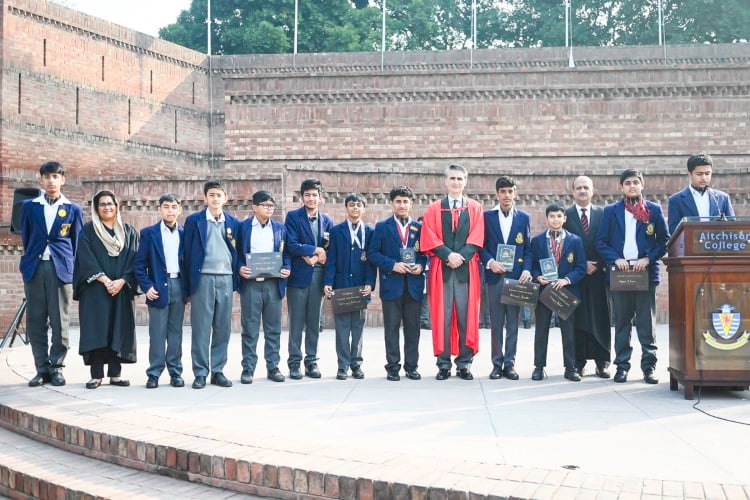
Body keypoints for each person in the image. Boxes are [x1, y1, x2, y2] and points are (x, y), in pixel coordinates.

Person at [596, 169, 669, 384]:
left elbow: (664, 240)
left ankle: (649, 367)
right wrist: (614, 259)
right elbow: (601, 241)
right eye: (627, 183)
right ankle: (622, 366)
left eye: (636, 182)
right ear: (621, 187)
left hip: (644, 273)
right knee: (622, 323)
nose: (632, 186)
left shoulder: (653, 210)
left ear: (642, 185)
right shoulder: (611, 211)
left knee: (646, 324)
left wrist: (648, 258)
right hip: (620, 274)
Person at [19, 161, 84, 387]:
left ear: (62, 180)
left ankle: (56, 367)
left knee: (60, 321)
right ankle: (41, 369)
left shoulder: (73, 209)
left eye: (55, 176)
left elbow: (76, 244)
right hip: (35, 268)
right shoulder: (29, 206)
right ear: (41, 180)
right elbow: (27, 238)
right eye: (47, 177)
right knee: (35, 321)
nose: (51, 181)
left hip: (60, 270)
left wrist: (71, 270)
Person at [420, 164, 484, 380]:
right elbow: (428, 236)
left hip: (467, 271)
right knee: (442, 317)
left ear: (465, 182)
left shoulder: (475, 208)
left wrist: (461, 256)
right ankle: (444, 364)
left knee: (467, 317)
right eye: (452, 178)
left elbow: (477, 237)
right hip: (442, 269)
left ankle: (464, 364)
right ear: (446, 181)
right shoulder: (434, 209)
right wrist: (448, 255)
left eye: (459, 179)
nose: (456, 182)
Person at [73, 190, 139, 389]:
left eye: (110, 203)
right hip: (96, 289)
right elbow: (85, 259)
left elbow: (135, 259)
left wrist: (122, 281)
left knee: (118, 328)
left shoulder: (128, 232)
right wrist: (105, 280)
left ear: (116, 206)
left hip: (121, 289)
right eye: (102, 204)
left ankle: (115, 375)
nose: (107, 207)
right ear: (96, 208)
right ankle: (96, 375)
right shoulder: (88, 231)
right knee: (97, 330)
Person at [182, 181, 239, 389]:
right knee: (201, 328)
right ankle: (200, 372)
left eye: (219, 195)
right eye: (211, 195)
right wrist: (189, 286)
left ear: (225, 198)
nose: (215, 199)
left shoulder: (233, 222)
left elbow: (238, 252)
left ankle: (218, 371)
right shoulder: (194, 221)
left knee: (223, 328)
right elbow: (186, 253)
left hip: (226, 278)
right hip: (203, 278)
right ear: (205, 198)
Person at [368, 186, 426, 381]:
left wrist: (421, 265)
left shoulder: (419, 228)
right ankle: (392, 367)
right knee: (391, 329)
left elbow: (425, 253)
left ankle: (412, 366)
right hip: (391, 285)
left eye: (405, 201)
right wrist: (392, 265)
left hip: (414, 285)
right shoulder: (382, 227)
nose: (402, 205)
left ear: (412, 204)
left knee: (413, 329)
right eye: (398, 201)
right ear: (391, 203)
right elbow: (373, 254)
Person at [481, 175, 532, 381]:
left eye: (510, 191)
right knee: (496, 324)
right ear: (497, 194)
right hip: (494, 276)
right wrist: (490, 262)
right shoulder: (487, 217)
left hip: (515, 278)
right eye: (503, 191)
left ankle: (509, 364)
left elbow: (527, 249)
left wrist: (526, 270)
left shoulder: (524, 218)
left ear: (515, 193)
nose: (507, 195)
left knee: (512, 324)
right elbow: (480, 246)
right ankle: (496, 364)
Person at [236, 191, 291, 384]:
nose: (269, 209)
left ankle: (273, 367)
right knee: (250, 328)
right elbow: (235, 253)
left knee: (273, 328)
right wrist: (239, 267)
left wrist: (287, 268)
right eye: (265, 205)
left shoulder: (280, 228)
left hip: (273, 284)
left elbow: (286, 254)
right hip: (251, 284)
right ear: (254, 207)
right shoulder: (243, 227)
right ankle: (248, 368)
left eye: (271, 205)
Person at [530, 203, 587, 381]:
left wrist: (566, 280)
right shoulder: (537, 241)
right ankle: (539, 367)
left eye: (559, 216)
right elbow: (532, 265)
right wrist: (537, 276)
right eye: (552, 216)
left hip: (566, 291)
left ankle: (570, 368)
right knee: (541, 330)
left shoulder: (575, 240)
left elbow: (581, 267)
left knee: (568, 331)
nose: (556, 220)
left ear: (565, 218)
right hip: (544, 291)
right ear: (547, 218)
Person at [134, 194, 185, 389]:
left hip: (179, 284)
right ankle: (154, 373)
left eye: (173, 206)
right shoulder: (149, 233)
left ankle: (175, 372)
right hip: (157, 287)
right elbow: (139, 265)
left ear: (179, 209)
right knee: (157, 333)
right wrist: (147, 287)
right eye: (166, 206)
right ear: (159, 209)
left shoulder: (185, 232)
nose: (170, 210)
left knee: (176, 333)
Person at [323, 193, 376, 380]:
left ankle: (356, 364)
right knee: (342, 328)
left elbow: (371, 261)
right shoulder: (336, 231)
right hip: (342, 287)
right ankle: (343, 365)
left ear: (364, 209)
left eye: (358, 205)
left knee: (358, 328)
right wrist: (328, 282)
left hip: (360, 287)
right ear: (346, 208)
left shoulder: (369, 231)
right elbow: (331, 260)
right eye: (352, 205)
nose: (355, 208)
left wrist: (370, 283)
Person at [285, 178, 334, 380]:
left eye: (315, 195)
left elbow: (330, 249)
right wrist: (316, 250)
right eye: (307, 195)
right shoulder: (293, 217)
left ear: (320, 198)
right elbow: (291, 244)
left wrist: (316, 256)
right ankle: (294, 363)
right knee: (296, 322)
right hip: (298, 277)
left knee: (314, 322)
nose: (311, 198)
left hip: (318, 276)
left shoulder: (327, 221)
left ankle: (311, 361)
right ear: (302, 197)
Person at [563, 176, 612, 378]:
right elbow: (563, 245)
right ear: (573, 191)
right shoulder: (565, 215)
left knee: (601, 319)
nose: (582, 191)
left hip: (599, 274)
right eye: (579, 188)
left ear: (593, 190)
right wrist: (582, 265)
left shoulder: (604, 214)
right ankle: (578, 363)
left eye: (586, 187)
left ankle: (602, 362)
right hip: (576, 276)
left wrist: (599, 264)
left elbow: (609, 241)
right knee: (579, 320)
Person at [667, 154, 735, 234]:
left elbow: (734, 228)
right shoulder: (676, 200)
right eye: (699, 174)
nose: (704, 178)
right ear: (689, 174)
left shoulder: (723, 198)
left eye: (707, 173)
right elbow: (674, 231)